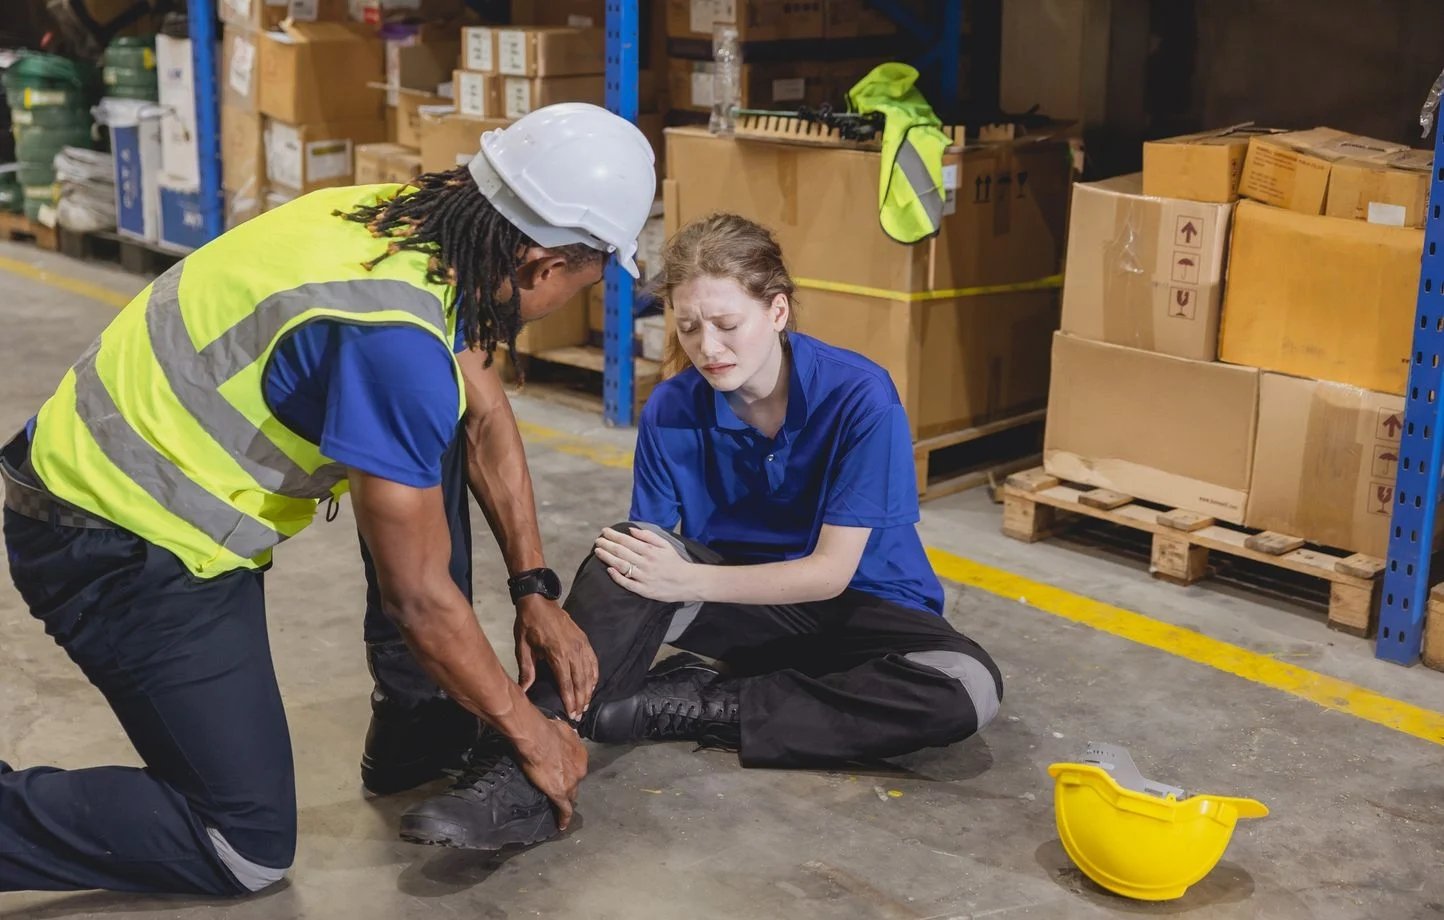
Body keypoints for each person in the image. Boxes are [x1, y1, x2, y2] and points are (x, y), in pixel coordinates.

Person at [0, 103, 654, 896]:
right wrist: (530, 732)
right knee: (239, 846)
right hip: (116, 539)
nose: (583, 295)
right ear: (544, 264)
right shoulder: (393, 345)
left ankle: (418, 724)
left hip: (110, 481)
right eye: (592, 277)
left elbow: (481, 415)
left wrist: (533, 587)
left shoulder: (403, 221)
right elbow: (419, 600)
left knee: (432, 419)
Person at [396, 212, 1002, 850]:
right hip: (750, 615)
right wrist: (637, 587)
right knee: (625, 555)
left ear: (777, 311)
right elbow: (643, 562)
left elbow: (831, 574)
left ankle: (696, 703)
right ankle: (516, 765)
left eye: (727, 325)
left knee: (968, 690)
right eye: (689, 327)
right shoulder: (672, 407)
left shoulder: (859, 396)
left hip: (867, 614)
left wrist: (687, 581)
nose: (708, 347)